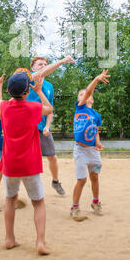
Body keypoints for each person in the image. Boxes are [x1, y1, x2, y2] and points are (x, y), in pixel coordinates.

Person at [0, 69, 52, 255]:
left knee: (10, 200)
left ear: (9, 91)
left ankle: (9, 238)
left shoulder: (5, 107)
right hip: (30, 164)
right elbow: (49, 109)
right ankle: (40, 242)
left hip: (10, 164)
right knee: (38, 203)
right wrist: (39, 91)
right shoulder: (33, 107)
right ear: (27, 92)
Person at [26, 55, 74, 196]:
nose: (43, 66)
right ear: (32, 68)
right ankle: (17, 190)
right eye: (40, 64)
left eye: (45, 64)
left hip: (42, 128)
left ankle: (55, 181)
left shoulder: (49, 86)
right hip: (28, 128)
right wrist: (62, 61)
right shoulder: (29, 80)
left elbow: (50, 109)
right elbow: (41, 73)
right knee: (28, 160)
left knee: (52, 157)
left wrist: (47, 126)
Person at [70, 70, 110, 222]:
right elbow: (88, 90)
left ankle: (95, 202)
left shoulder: (96, 115)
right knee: (82, 180)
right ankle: (74, 207)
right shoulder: (80, 108)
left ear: (92, 99)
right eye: (81, 95)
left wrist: (98, 142)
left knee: (94, 177)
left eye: (85, 95)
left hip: (92, 150)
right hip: (80, 150)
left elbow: (95, 130)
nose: (84, 95)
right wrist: (96, 79)